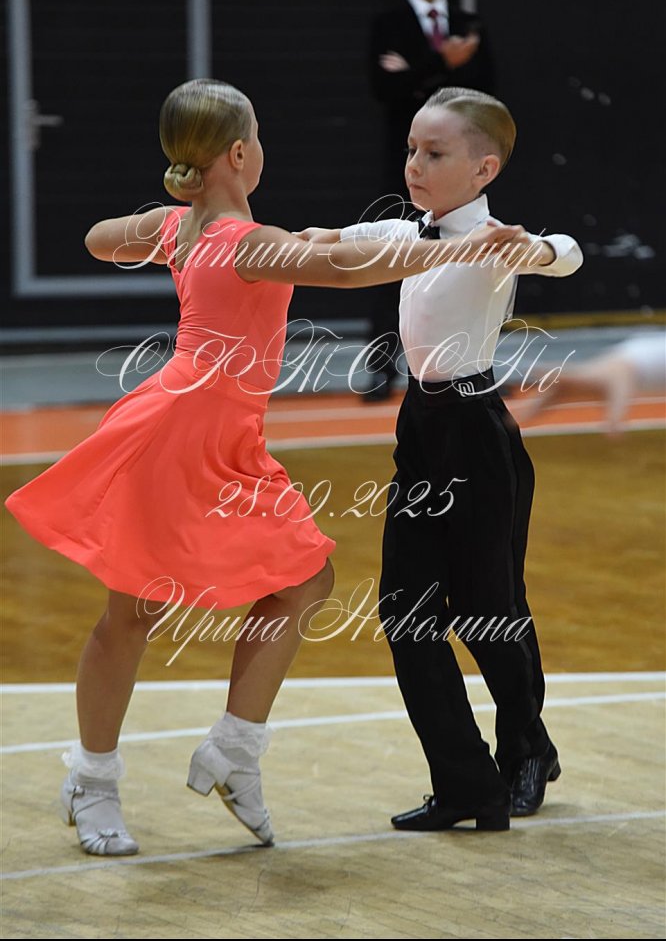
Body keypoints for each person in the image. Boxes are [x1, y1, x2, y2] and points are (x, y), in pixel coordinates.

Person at [3, 79, 523, 858]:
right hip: (176, 434)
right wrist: (457, 246)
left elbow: (98, 239)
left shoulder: (185, 227)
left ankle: (234, 750)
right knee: (135, 610)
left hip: (226, 437)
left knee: (305, 577)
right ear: (242, 154)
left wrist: (158, 225)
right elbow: (342, 268)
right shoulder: (244, 241)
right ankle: (92, 779)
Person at [298, 86, 584, 831]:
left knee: (490, 610)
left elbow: (565, 253)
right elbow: (334, 240)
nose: (415, 164)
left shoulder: (491, 242)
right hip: (421, 428)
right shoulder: (406, 232)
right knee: (406, 613)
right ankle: (466, 785)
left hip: (477, 432)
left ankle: (527, 748)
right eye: (411, 150)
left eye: (434, 153)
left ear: (484, 169)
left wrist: (535, 249)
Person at [364, 0, 496, 401]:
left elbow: (481, 97)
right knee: (392, 259)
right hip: (407, 167)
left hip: (460, 174)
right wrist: (442, 64)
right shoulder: (388, 24)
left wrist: (417, 74)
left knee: (474, 263)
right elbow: (386, 89)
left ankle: (476, 364)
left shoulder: (468, 24)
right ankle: (382, 367)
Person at [519, 330, 666, 435]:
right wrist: (615, 415)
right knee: (583, 382)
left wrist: (615, 415)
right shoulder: (614, 371)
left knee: (581, 382)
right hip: (623, 367)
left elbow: (623, 372)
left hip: (623, 367)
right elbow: (622, 372)